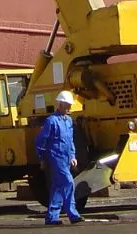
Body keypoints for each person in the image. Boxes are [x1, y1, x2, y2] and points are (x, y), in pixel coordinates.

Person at [35, 89, 82, 225]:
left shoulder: (68, 121)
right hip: (56, 157)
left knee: (57, 187)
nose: (70, 107)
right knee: (68, 182)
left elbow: (70, 140)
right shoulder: (51, 121)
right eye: (67, 105)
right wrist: (42, 158)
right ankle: (73, 214)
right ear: (60, 104)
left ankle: (52, 217)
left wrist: (72, 156)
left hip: (66, 157)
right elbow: (40, 140)